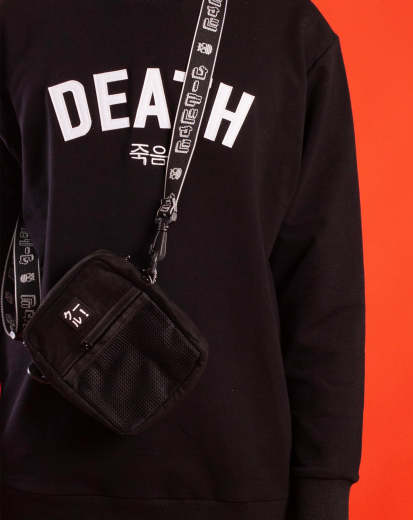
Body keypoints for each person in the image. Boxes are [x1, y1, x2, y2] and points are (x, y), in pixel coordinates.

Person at [0, 0, 365, 519]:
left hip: (236, 479)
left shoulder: (290, 31)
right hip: (40, 471)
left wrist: (324, 486)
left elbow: (324, 281)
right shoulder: (19, 20)